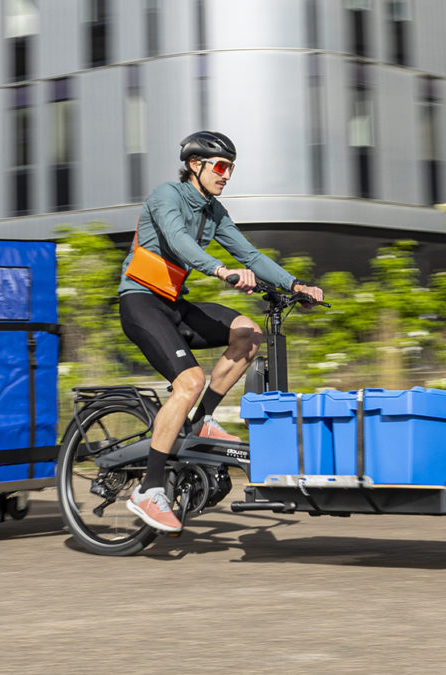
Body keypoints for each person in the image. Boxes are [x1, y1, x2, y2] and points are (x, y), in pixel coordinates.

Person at [119, 130, 324, 532]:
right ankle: (149, 488)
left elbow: (250, 254)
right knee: (190, 381)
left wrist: (295, 284)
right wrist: (220, 270)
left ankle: (201, 422)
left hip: (174, 304)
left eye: (231, 168)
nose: (227, 175)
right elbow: (178, 242)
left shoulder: (214, 212)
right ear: (195, 165)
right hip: (141, 301)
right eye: (220, 166)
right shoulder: (167, 196)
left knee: (247, 332)